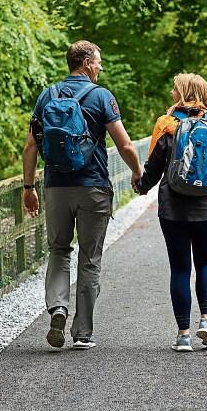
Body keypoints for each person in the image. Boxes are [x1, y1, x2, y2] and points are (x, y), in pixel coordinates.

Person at [22, 40, 143, 349]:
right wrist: (137, 171)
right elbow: (125, 145)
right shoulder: (101, 96)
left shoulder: (47, 96)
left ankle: (58, 308)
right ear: (87, 63)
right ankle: (83, 333)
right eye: (98, 61)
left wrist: (28, 188)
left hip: (56, 187)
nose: (100, 67)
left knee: (59, 251)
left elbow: (31, 146)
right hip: (93, 188)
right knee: (90, 259)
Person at [135, 73, 207, 352]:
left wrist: (142, 187)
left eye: (175, 88)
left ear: (182, 92)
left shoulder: (166, 124)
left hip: (173, 207)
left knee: (180, 268)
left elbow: (154, 165)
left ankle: (183, 335)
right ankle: (206, 321)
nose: (172, 92)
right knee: (206, 263)